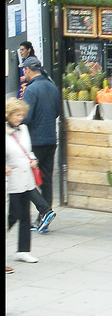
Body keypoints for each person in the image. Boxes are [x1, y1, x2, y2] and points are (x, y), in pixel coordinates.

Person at [7, 98, 57, 264]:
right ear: (8, 114)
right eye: (17, 115)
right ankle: (44, 209)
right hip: (12, 178)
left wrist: (33, 159)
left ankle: (23, 250)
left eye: (22, 114)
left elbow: (28, 150)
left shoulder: (23, 129)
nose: (20, 118)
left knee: (26, 216)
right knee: (13, 215)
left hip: (26, 176)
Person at [20, 56, 61, 230]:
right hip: (51, 139)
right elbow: (57, 112)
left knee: (26, 179)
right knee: (46, 181)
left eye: (24, 71)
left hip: (35, 142)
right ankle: (43, 220)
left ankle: (44, 211)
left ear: (28, 70)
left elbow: (25, 118)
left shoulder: (31, 90)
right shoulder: (52, 86)